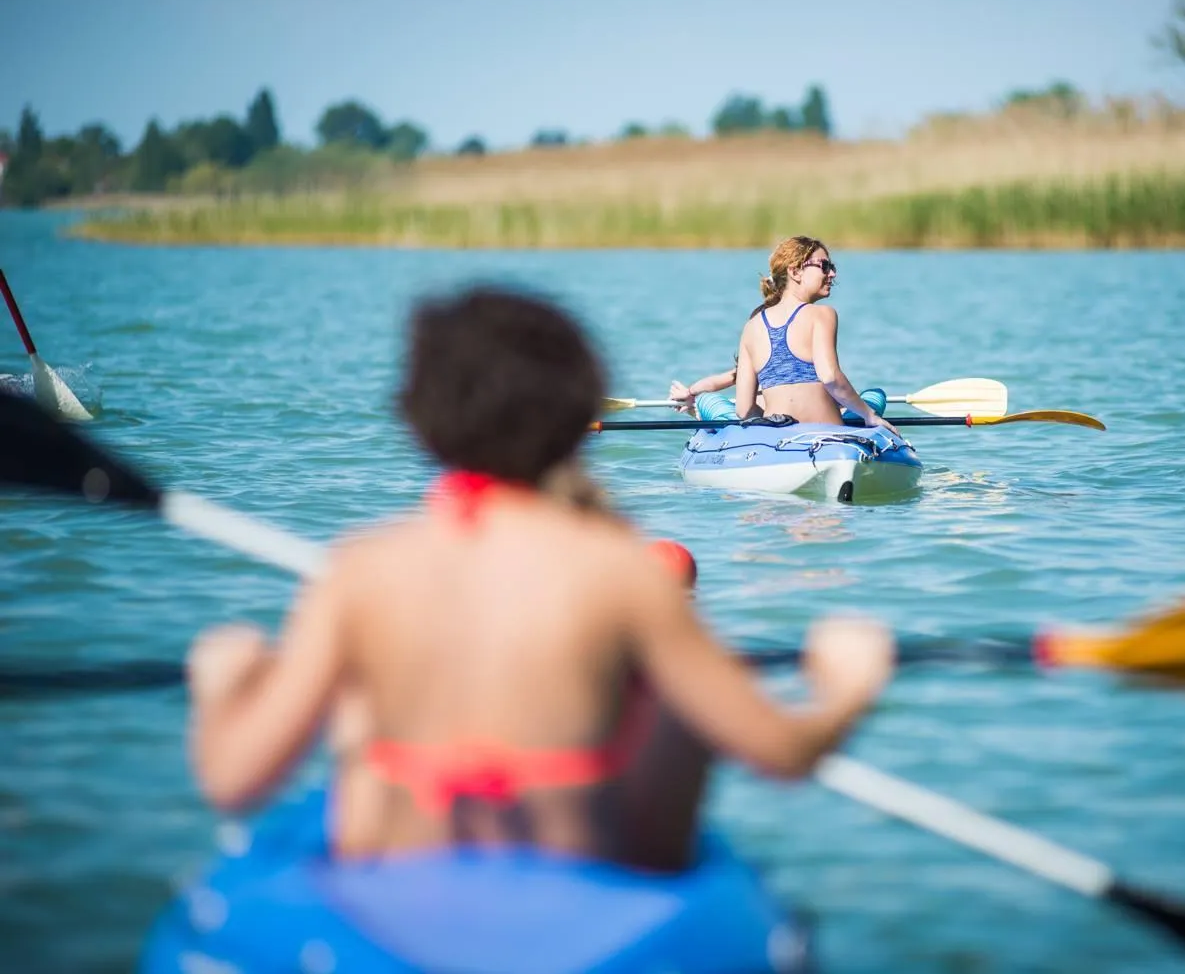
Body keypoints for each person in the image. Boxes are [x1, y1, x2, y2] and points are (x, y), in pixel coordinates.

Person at [184, 284, 894, 872]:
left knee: (360, 711)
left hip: (399, 895)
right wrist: (846, 685)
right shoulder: (623, 572)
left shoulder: (359, 570)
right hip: (578, 886)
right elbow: (781, 750)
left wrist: (223, 681)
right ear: (577, 410)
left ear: (419, 419)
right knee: (672, 709)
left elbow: (231, 776)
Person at [669, 236, 892, 429]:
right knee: (875, 398)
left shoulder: (752, 327)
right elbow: (830, 377)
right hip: (828, 434)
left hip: (776, 438)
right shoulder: (823, 314)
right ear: (795, 271)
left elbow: (744, 410)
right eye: (824, 266)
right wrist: (870, 417)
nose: (832, 273)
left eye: (832, 267)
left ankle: (697, 408)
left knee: (709, 402)